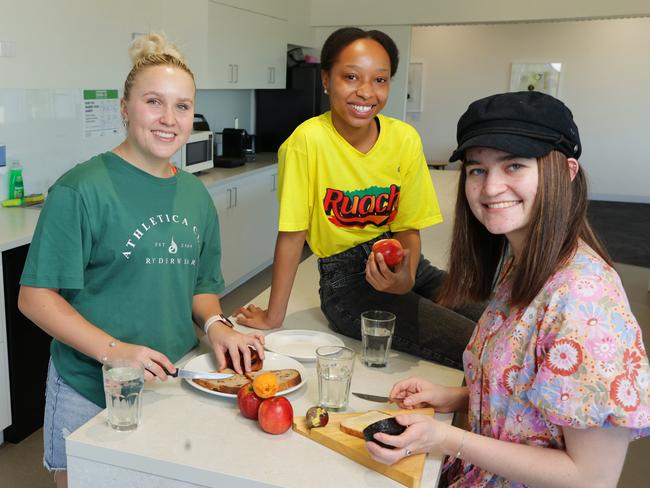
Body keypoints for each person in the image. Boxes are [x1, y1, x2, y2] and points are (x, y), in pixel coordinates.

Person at [364, 91, 650, 487]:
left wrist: (448, 438)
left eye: (513, 165)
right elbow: (541, 405)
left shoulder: (586, 301)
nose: (490, 188)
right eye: (477, 170)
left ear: (566, 172)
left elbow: (591, 477)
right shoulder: (523, 262)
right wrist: (458, 397)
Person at [18, 33, 264, 488]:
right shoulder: (81, 189)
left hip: (169, 382)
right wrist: (115, 353)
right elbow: (34, 297)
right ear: (124, 108)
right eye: (154, 102)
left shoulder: (195, 195)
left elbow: (200, 287)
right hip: (88, 387)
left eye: (183, 106)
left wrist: (216, 327)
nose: (169, 119)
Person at [235, 27, 482, 369]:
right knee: (478, 344)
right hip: (348, 285)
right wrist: (273, 316)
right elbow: (292, 235)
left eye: (379, 80)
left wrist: (406, 277)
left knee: (499, 318)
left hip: (406, 263)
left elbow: (408, 226)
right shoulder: (307, 142)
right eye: (351, 77)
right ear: (326, 79)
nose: (365, 92)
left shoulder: (404, 139)